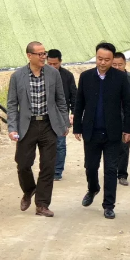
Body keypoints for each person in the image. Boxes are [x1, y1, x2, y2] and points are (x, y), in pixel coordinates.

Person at [7, 41, 69, 218]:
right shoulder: (17, 76)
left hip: (49, 124)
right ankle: (29, 189)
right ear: (29, 56)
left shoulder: (53, 74)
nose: (44, 57)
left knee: (48, 165)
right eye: (40, 54)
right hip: (27, 125)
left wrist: (64, 123)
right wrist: (12, 127)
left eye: (44, 53)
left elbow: (61, 100)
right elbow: (12, 105)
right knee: (23, 163)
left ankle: (42, 204)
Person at [73, 42, 130, 219]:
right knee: (91, 167)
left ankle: (108, 205)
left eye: (107, 60)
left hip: (112, 132)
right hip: (91, 131)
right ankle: (93, 188)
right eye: (99, 59)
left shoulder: (120, 78)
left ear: (112, 59)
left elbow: (128, 104)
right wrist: (77, 126)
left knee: (111, 170)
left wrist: (127, 128)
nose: (102, 63)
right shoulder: (86, 77)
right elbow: (79, 103)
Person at [47, 49, 77, 181]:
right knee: (46, 144)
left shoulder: (67, 76)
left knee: (60, 144)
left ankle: (57, 171)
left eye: (55, 64)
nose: (52, 66)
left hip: (61, 114)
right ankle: (47, 170)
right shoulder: (41, 74)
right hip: (45, 114)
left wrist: (73, 113)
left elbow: (74, 95)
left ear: (60, 62)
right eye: (50, 64)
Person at [112, 52, 130, 186]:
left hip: (126, 118)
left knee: (124, 147)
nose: (117, 67)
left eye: (120, 64)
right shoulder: (107, 78)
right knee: (110, 147)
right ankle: (111, 172)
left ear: (125, 64)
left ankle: (122, 174)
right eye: (114, 65)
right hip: (110, 118)